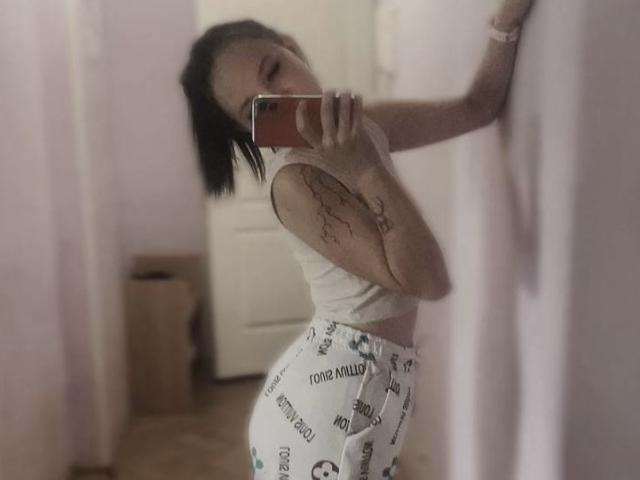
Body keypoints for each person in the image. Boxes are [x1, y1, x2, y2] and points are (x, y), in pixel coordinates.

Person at [180, 1, 533, 477]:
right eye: (257, 107)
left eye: (274, 69)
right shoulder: (296, 179)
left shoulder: (357, 129)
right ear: (251, 128)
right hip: (335, 408)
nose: (281, 94)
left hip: (363, 385)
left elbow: (477, 108)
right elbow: (428, 280)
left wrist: (505, 23)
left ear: (292, 48)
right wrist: (366, 167)